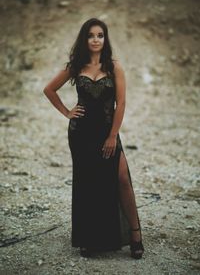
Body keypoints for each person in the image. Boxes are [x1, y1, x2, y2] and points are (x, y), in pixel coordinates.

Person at [43, 17, 144, 259]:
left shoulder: (114, 67)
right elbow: (49, 89)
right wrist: (67, 112)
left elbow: (121, 104)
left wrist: (112, 136)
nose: (96, 39)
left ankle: (135, 235)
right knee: (88, 183)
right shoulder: (76, 66)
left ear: (105, 39)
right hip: (81, 133)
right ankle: (89, 238)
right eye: (91, 35)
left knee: (121, 178)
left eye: (100, 35)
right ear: (85, 39)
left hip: (107, 133)